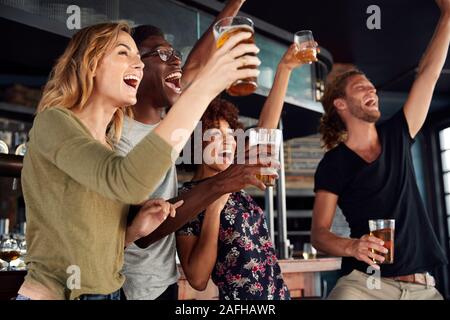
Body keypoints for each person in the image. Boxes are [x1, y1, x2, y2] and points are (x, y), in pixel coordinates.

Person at [17, 20, 261, 300]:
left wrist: (132, 232)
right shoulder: (53, 122)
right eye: (124, 53)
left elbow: (90, 245)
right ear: (90, 63)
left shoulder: (105, 144)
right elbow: (124, 181)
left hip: (110, 293)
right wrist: (206, 86)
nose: (139, 65)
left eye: (138, 56)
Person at [115, 0, 275, 301]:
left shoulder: (167, 121)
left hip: (164, 282)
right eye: (163, 54)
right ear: (135, 67)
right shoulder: (119, 132)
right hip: (133, 288)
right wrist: (222, 185)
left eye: (176, 54)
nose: (176, 61)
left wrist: (233, 5)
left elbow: (197, 63)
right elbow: (144, 233)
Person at [311, 0, 450, 300]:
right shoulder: (333, 163)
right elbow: (318, 234)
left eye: (371, 85)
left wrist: (448, 15)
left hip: (422, 288)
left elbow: (427, 74)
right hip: (365, 286)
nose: (371, 89)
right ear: (341, 104)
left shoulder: (399, 133)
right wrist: (351, 246)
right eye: (361, 87)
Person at [176, 42, 311, 300]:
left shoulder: (236, 176)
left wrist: (284, 68)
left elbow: (266, 129)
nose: (228, 141)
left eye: (231, 135)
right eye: (216, 134)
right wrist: (215, 205)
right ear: (194, 142)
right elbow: (197, 278)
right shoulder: (187, 197)